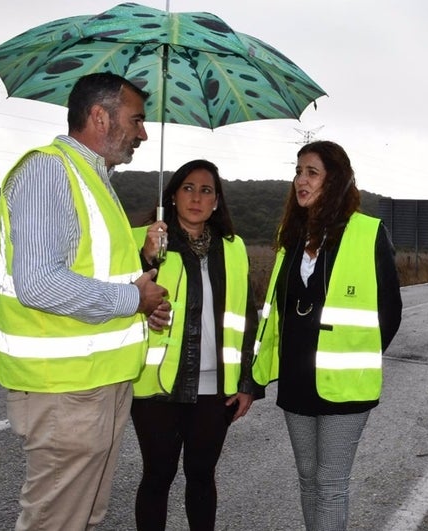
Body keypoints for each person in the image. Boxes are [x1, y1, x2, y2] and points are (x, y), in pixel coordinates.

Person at [0, 72, 169, 530]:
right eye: (136, 120)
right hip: (65, 390)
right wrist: (133, 298)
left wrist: (143, 290)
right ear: (99, 117)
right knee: (56, 522)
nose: (143, 133)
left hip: (95, 385)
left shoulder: (94, 179)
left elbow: (88, 272)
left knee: (83, 518)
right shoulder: (49, 171)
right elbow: (39, 283)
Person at [252, 140, 403, 531]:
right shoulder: (291, 234)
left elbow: (390, 310)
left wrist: (356, 352)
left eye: (312, 173)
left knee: (331, 483)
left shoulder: (368, 233)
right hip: (297, 378)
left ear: (334, 180)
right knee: (307, 477)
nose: (301, 180)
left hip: (346, 383)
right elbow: (280, 309)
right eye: (298, 171)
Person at [130, 159, 262, 531]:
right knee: (158, 475)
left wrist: (247, 383)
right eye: (188, 187)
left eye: (206, 190)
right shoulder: (145, 239)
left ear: (217, 202)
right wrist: (145, 255)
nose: (196, 197)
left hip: (214, 386)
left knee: (202, 476)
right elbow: (118, 299)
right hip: (156, 384)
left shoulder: (232, 249)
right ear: (172, 196)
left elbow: (246, 317)